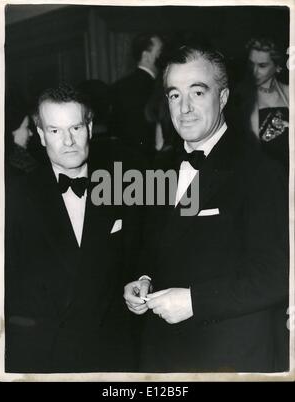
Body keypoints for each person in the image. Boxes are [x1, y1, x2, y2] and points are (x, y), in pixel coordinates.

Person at [124, 44, 289, 372]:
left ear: (223, 98)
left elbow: (276, 274)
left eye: (197, 92)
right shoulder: (159, 166)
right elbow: (153, 244)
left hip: (230, 356)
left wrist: (193, 301)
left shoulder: (261, 171)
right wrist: (142, 279)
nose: (183, 107)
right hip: (164, 355)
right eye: (174, 95)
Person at [5, 84, 140, 373]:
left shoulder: (123, 184)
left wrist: (141, 278)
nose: (68, 141)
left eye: (75, 128)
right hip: (45, 356)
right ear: (40, 136)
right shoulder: (13, 197)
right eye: (54, 131)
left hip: (111, 354)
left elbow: (140, 254)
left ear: (90, 128)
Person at [232, 37, 289, 170]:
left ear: (278, 66)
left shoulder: (290, 92)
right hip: (264, 174)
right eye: (251, 64)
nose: (254, 72)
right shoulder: (241, 97)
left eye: (262, 66)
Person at [110, 33, 163, 160]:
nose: (163, 56)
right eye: (160, 51)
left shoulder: (118, 86)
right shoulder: (157, 88)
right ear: (146, 56)